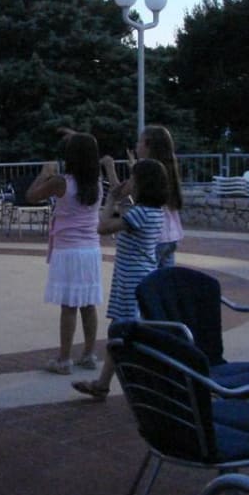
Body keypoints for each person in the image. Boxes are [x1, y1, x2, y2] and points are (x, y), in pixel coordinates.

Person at [72, 158, 167, 400]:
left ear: (143, 184)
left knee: (123, 334)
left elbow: (103, 227)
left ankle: (126, 383)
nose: (129, 182)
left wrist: (111, 199)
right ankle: (103, 384)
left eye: (133, 178)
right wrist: (119, 190)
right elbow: (127, 211)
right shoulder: (152, 211)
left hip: (131, 281)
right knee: (122, 333)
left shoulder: (141, 214)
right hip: (135, 277)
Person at [26, 131, 103, 375]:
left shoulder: (62, 182)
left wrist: (43, 173)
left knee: (68, 306)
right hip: (91, 249)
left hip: (68, 250)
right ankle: (89, 354)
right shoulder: (96, 183)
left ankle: (64, 359)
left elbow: (31, 196)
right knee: (88, 304)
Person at [102, 125, 184, 269]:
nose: (136, 145)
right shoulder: (166, 167)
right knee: (164, 280)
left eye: (139, 141)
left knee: (148, 278)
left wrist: (109, 167)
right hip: (172, 235)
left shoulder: (145, 171)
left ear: (148, 145)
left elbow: (119, 193)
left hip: (153, 237)